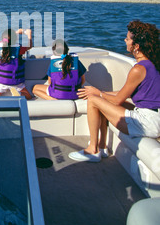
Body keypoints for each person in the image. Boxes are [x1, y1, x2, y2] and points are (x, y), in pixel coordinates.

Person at [69, 20, 160, 163]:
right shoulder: (151, 64)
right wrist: (101, 93)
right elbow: (125, 93)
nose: (125, 40)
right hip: (153, 117)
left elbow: (118, 100)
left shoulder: (138, 69)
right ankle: (102, 147)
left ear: (136, 46)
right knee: (102, 100)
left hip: (146, 122)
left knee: (94, 100)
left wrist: (96, 94)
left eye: (128, 39)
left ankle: (92, 150)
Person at [0, 28, 33, 99]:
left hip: (1, 81)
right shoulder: (19, 49)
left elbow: (7, 39)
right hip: (15, 82)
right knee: (29, 96)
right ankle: (19, 93)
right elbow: (30, 46)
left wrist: (15, 33)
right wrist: (29, 34)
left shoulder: (0, 46)